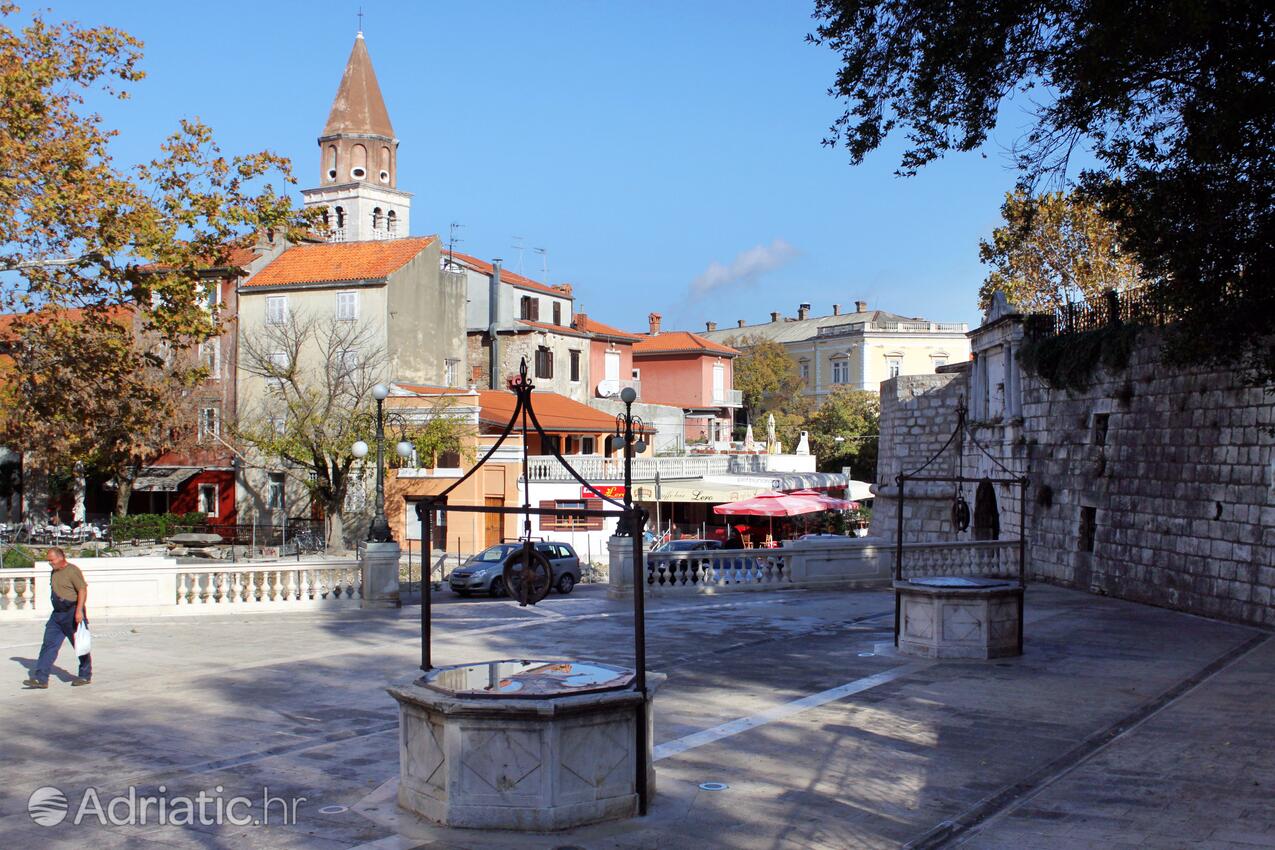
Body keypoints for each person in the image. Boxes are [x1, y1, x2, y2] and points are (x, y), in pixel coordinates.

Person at [24, 546, 91, 688]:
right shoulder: (54, 572)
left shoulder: (72, 570)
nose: (50, 563)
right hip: (57, 615)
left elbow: (82, 590)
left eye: (52, 560)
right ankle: (41, 679)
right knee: (48, 645)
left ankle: (85, 675)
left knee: (80, 645)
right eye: (49, 561)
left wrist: (79, 611)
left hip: (72, 612)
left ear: (61, 558)